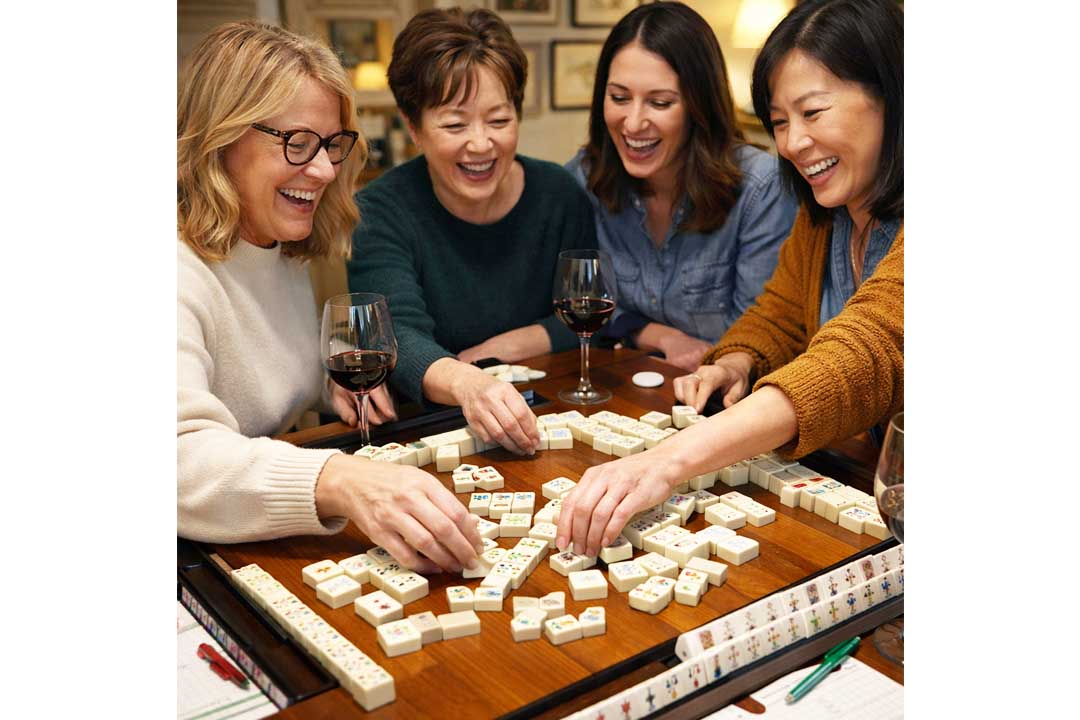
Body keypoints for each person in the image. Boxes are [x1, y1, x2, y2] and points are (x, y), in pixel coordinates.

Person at [556, 0, 904, 557]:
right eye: (780, 121)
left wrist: (667, 461)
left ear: (892, 97)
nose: (790, 144)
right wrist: (736, 359)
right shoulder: (827, 213)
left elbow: (864, 351)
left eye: (812, 113)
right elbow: (782, 316)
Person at [178, 21, 481, 574]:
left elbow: (254, 366)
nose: (322, 170)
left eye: (332, 144)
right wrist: (338, 479)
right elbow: (175, 459)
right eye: (297, 142)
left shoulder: (274, 244)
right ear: (220, 138)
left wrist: (330, 383)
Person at [347, 7, 598, 455]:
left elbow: (584, 316)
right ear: (414, 127)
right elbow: (395, 335)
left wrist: (498, 348)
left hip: (547, 421)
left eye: (499, 121)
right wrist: (467, 381)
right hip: (425, 432)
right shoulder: (380, 210)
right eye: (455, 124)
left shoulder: (559, 195)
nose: (481, 144)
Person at [565, 1, 797, 373]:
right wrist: (660, 336)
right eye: (619, 98)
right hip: (624, 392)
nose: (633, 123)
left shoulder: (761, 189)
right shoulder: (584, 178)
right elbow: (581, 300)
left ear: (698, 105)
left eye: (660, 102)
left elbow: (764, 334)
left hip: (728, 404)